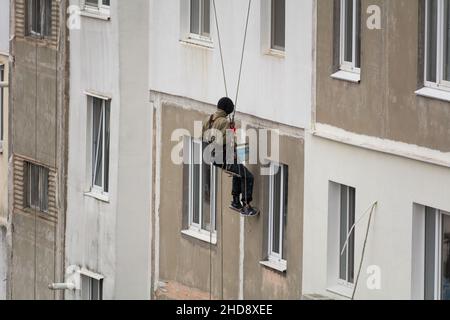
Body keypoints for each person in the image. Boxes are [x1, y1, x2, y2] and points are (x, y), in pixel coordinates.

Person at [202, 97, 259, 217]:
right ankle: (246, 206)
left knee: (238, 173)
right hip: (224, 157)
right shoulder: (224, 122)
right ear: (228, 110)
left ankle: (235, 201)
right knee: (248, 177)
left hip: (212, 156)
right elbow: (228, 141)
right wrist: (231, 130)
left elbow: (205, 137)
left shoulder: (208, 119)